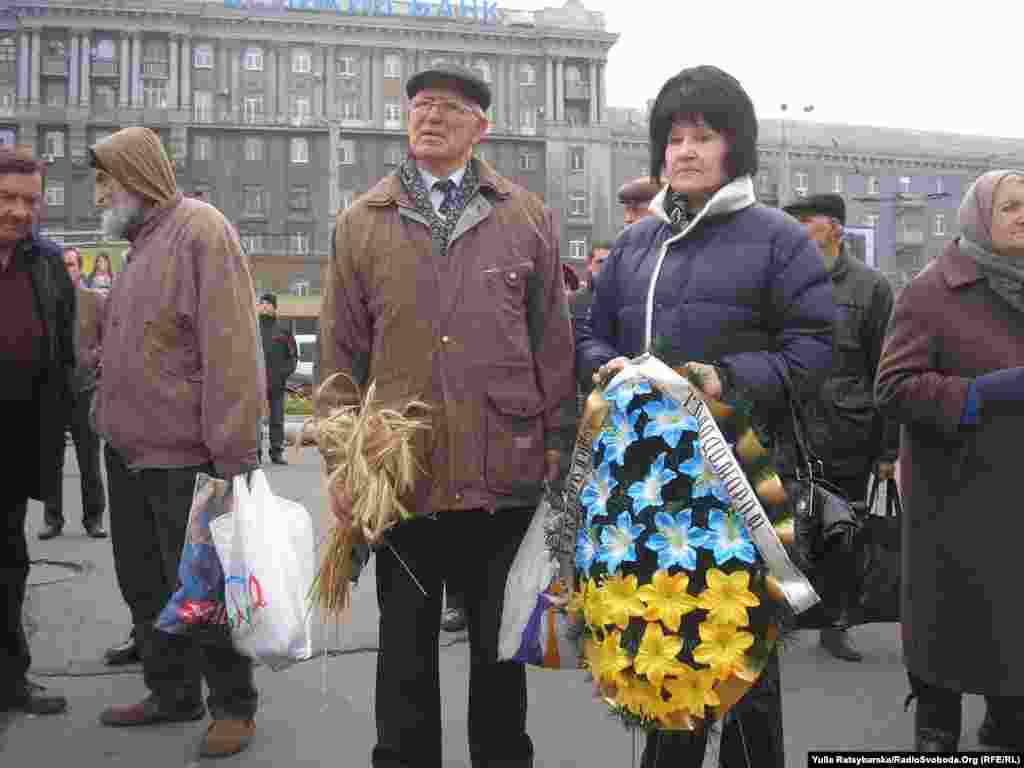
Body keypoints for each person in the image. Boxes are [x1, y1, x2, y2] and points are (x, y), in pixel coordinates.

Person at [575, 65, 835, 768]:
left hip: (742, 488)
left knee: (742, 664)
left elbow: (814, 351)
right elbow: (589, 332)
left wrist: (729, 380)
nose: (685, 151)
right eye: (675, 138)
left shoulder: (778, 239)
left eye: (704, 137)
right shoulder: (634, 244)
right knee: (663, 654)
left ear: (734, 149)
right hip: (649, 495)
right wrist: (604, 365)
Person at [320, 65, 575, 768]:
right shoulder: (361, 221)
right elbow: (340, 354)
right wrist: (344, 463)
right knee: (404, 647)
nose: (429, 117)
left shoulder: (525, 216)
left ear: (480, 128)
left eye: (449, 108)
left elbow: (552, 339)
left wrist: (558, 444)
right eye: (420, 106)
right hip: (401, 470)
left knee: (501, 649)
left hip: (505, 465)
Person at [89, 127, 264, 759]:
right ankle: (171, 691)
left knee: (203, 592)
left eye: (107, 180)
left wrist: (234, 458)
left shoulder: (200, 230)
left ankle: (233, 705)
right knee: (144, 584)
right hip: (130, 453)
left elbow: (233, 348)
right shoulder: (140, 246)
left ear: (137, 176)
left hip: (188, 457)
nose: (100, 193)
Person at [875, 169, 1024, 752]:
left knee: (1014, 637)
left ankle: (1005, 726)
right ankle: (936, 727)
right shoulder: (932, 290)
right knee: (949, 633)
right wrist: (982, 392)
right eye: (1011, 206)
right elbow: (893, 387)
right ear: (978, 214)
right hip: (955, 501)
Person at [782, 193, 897, 662]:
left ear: (833, 227)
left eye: (804, 223)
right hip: (791, 428)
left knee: (842, 535)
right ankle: (781, 620)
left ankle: (837, 622)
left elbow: (885, 371)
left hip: (848, 429)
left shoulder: (871, 288)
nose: (794, 231)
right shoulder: (782, 283)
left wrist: (888, 451)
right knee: (784, 529)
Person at [0, 145, 72, 716]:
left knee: (9, 564)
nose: (20, 211)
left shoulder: (46, 262)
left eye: (29, 200)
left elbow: (65, 349)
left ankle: (10, 681)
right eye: (7, 198)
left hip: (18, 442)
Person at [40, 246, 108, 540]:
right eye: (63, 265)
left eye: (72, 265)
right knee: (51, 459)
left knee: (89, 459)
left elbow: (109, 340)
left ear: (81, 268)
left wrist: (95, 356)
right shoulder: (47, 302)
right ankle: (52, 519)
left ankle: (93, 519)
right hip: (54, 390)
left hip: (85, 389)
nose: (68, 270)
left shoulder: (95, 300)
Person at [256, 292, 297, 465]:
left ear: (274, 307)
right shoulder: (252, 329)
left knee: (277, 419)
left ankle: (276, 452)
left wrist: (283, 374)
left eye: (268, 303)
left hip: (276, 384)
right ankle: (255, 453)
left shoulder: (283, 331)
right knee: (254, 421)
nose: (264, 306)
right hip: (256, 384)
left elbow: (293, 356)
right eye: (262, 303)